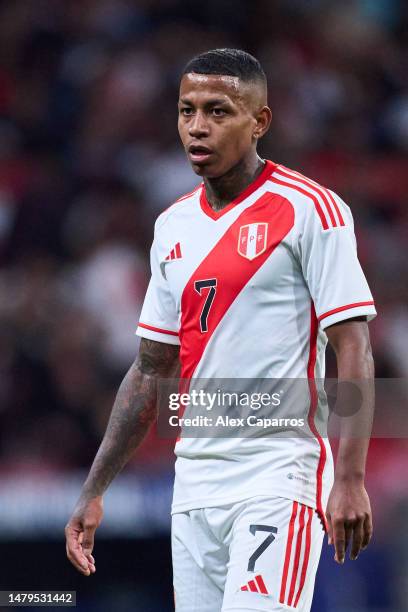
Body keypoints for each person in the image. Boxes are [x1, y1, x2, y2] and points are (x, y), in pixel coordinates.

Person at [65, 48, 376, 611]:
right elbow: (150, 369)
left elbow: (353, 346)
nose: (197, 127)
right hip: (194, 487)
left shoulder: (311, 210)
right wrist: (94, 489)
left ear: (260, 121)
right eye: (187, 111)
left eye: (218, 111)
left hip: (278, 474)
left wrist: (350, 477)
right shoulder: (172, 225)